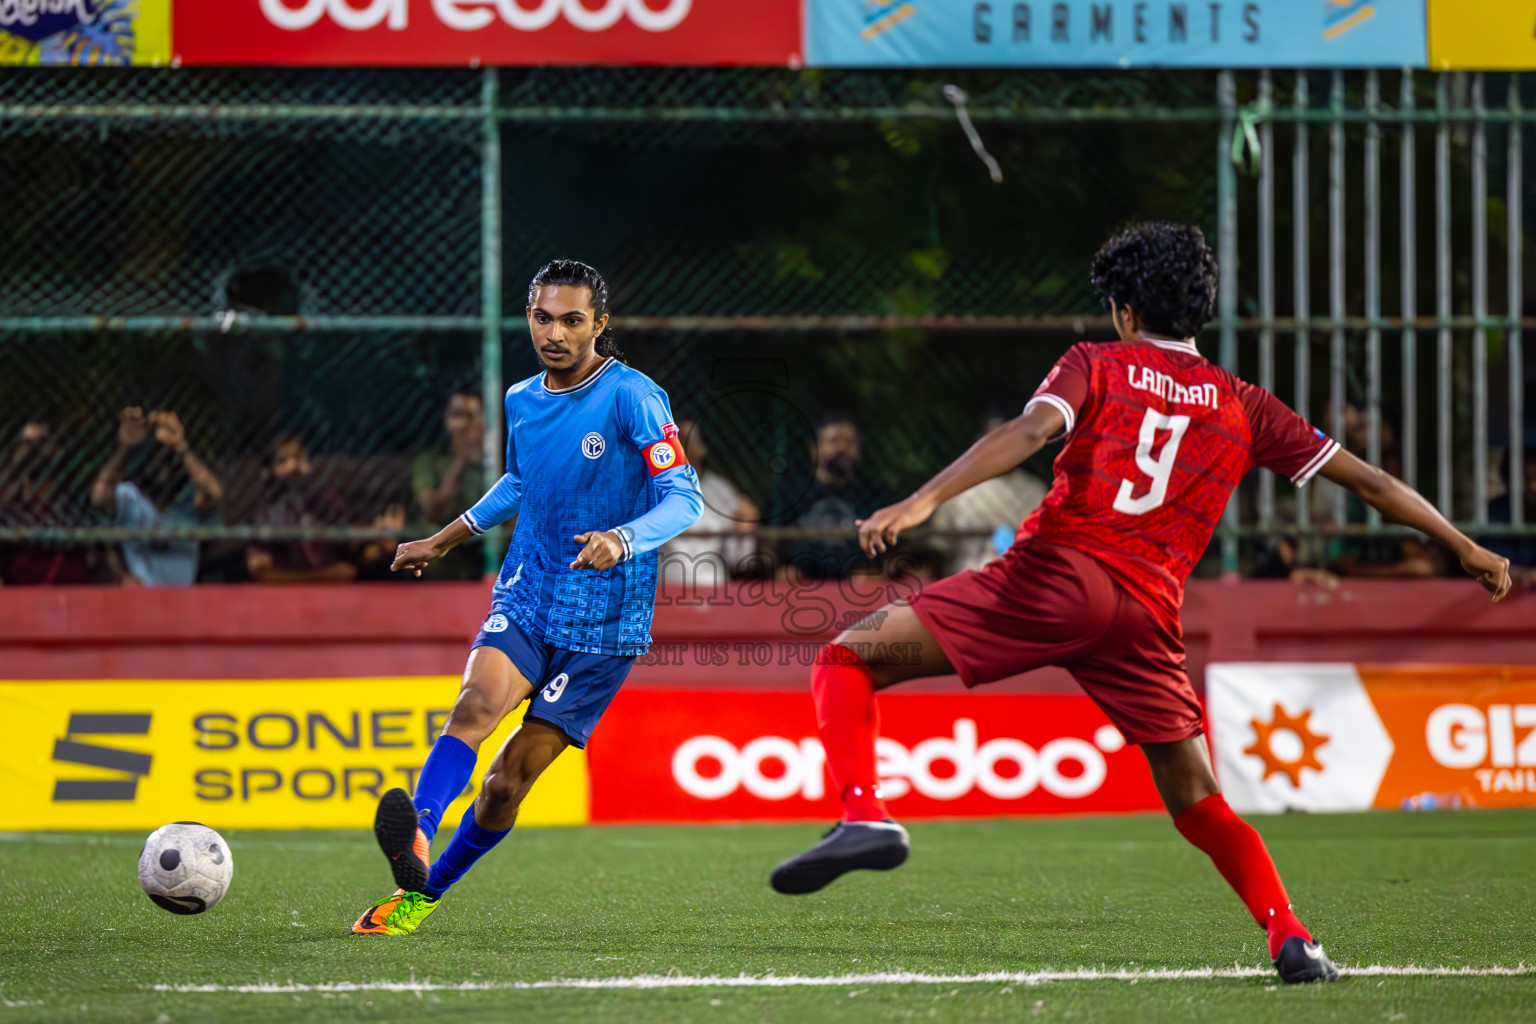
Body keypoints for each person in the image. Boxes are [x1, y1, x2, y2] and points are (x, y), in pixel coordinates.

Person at [766, 223, 1511, 986]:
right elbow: (1372, 483)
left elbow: (1029, 432)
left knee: (847, 657)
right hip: (1146, 616)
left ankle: (865, 813)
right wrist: (1466, 546)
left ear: (1124, 310)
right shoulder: (1246, 404)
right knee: (1199, 801)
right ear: (1201, 311)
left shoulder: (1096, 363)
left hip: (1055, 578)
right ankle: (1292, 935)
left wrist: (923, 501)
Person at [350, 260, 703, 936]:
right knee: (475, 704)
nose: (556, 333)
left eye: (573, 320)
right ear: (529, 319)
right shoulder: (520, 398)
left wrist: (623, 540)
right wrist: (445, 538)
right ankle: (416, 834)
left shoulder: (634, 396)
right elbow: (520, 481)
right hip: (532, 587)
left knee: (508, 781)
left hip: (606, 616)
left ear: (600, 324)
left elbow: (684, 496)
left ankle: (423, 900)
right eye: (544, 317)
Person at [89, 407, 223, 587]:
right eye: (154, 459)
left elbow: (213, 492)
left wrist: (181, 447)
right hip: (141, 596)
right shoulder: (130, 498)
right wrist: (124, 448)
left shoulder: (188, 504)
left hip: (182, 598)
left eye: (166, 460)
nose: (161, 468)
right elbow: (99, 495)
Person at [246, 435, 398, 583]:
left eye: (298, 458)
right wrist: (323, 576)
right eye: (282, 461)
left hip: (336, 595)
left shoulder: (326, 499)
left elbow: (355, 550)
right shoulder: (266, 511)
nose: (293, 466)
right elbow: (261, 573)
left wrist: (381, 545)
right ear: (269, 471)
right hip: (287, 598)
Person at [927, 408, 1049, 575]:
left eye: (1007, 441)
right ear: (979, 444)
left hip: (1020, 588)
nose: (1000, 449)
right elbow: (936, 551)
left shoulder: (1035, 491)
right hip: (963, 587)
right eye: (994, 440)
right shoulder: (956, 490)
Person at [773, 412, 893, 580]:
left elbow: (897, 545)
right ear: (814, 448)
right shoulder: (790, 491)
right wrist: (776, 569)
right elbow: (769, 539)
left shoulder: (875, 492)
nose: (843, 448)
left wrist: (881, 573)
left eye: (850, 442)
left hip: (859, 578)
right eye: (834, 440)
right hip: (801, 576)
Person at [661, 417, 759, 584]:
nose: (680, 446)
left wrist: (744, 531)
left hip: (712, 588)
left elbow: (739, 560)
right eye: (675, 440)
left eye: (687, 440)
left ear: (702, 448)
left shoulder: (722, 491)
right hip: (666, 588)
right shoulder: (650, 489)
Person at [411, 388, 489, 581]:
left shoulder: (496, 462)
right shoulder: (429, 461)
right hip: (440, 551)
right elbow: (433, 511)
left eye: (471, 417)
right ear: (446, 419)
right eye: (457, 416)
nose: (464, 425)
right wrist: (461, 459)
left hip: (484, 550)